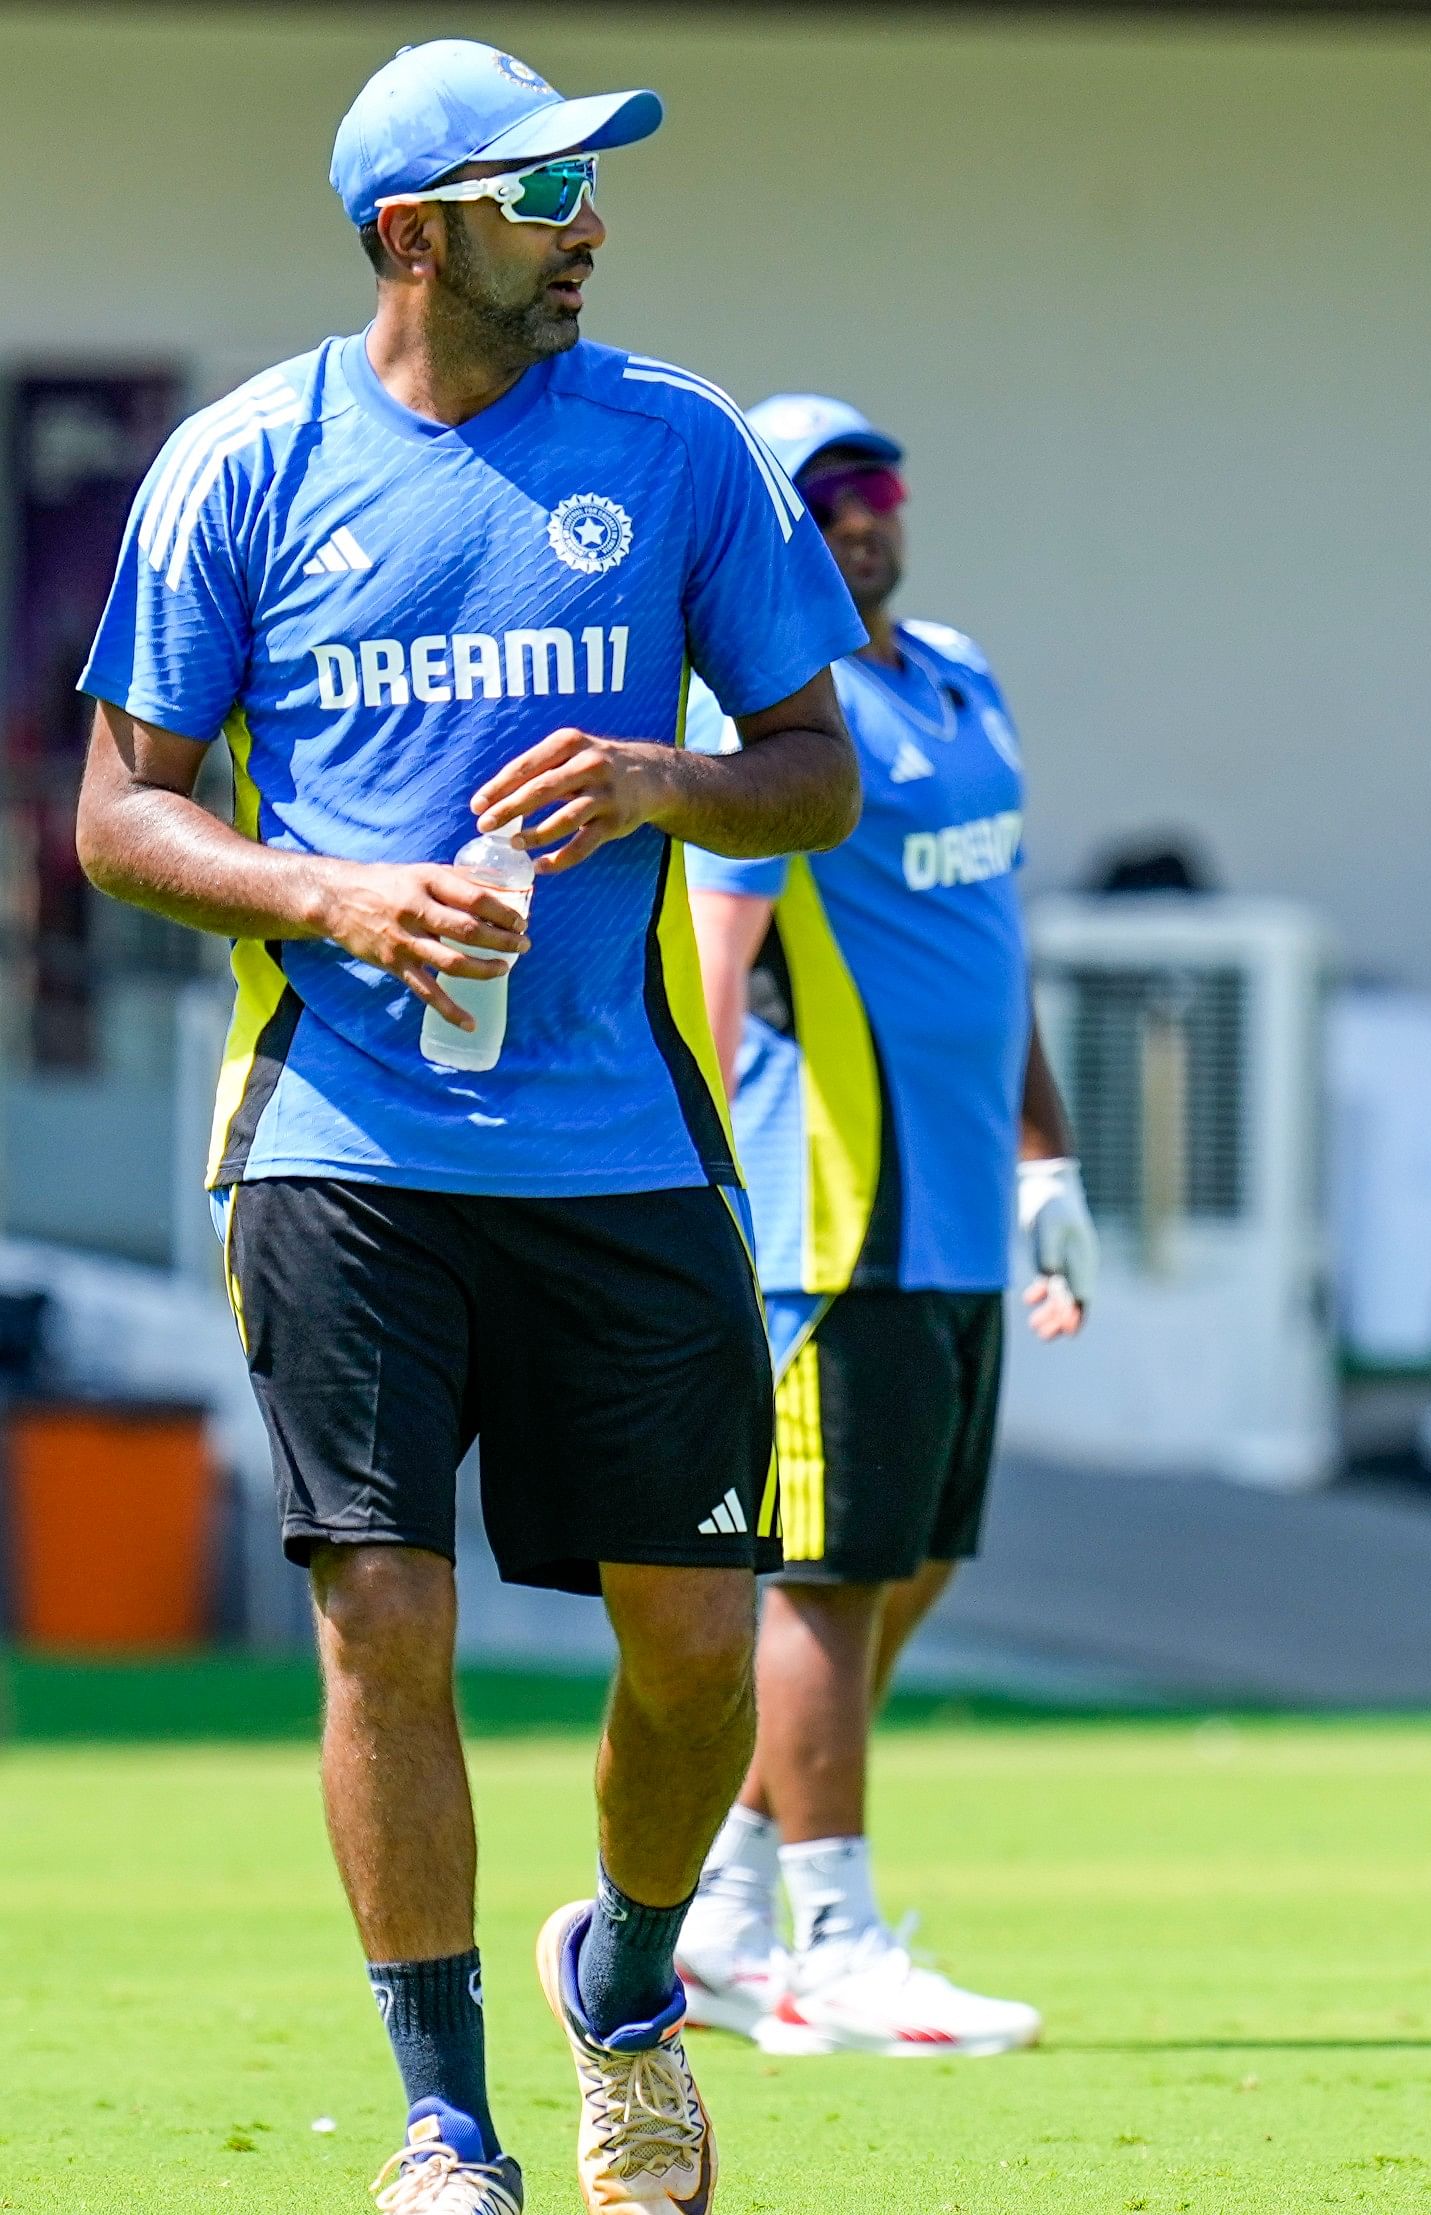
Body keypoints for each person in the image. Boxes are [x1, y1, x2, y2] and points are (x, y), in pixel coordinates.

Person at [72, 41, 863, 2215]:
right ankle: (445, 2125)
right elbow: (118, 812)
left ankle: (622, 1980)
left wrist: (668, 782)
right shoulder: (240, 468)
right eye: (544, 196)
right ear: (415, 233)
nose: (589, 224)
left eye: (591, 190)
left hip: (621, 1148)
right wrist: (329, 890)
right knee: (379, 1616)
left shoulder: (686, 450)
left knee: (700, 1650)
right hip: (341, 1145)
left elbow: (814, 765)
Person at [665, 394, 1097, 2058]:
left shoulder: (962, 678)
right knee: (825, 1585)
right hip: (826, 1213)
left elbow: (995, 942)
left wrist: (1046, 1164)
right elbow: (712, 972)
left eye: (871, 482)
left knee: (906, 1567)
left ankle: (719, 1909)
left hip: (955, 1217)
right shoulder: (778, 710)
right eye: (812, 495)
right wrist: (692, 1195)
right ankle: (823, 1947)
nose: (854, 514)